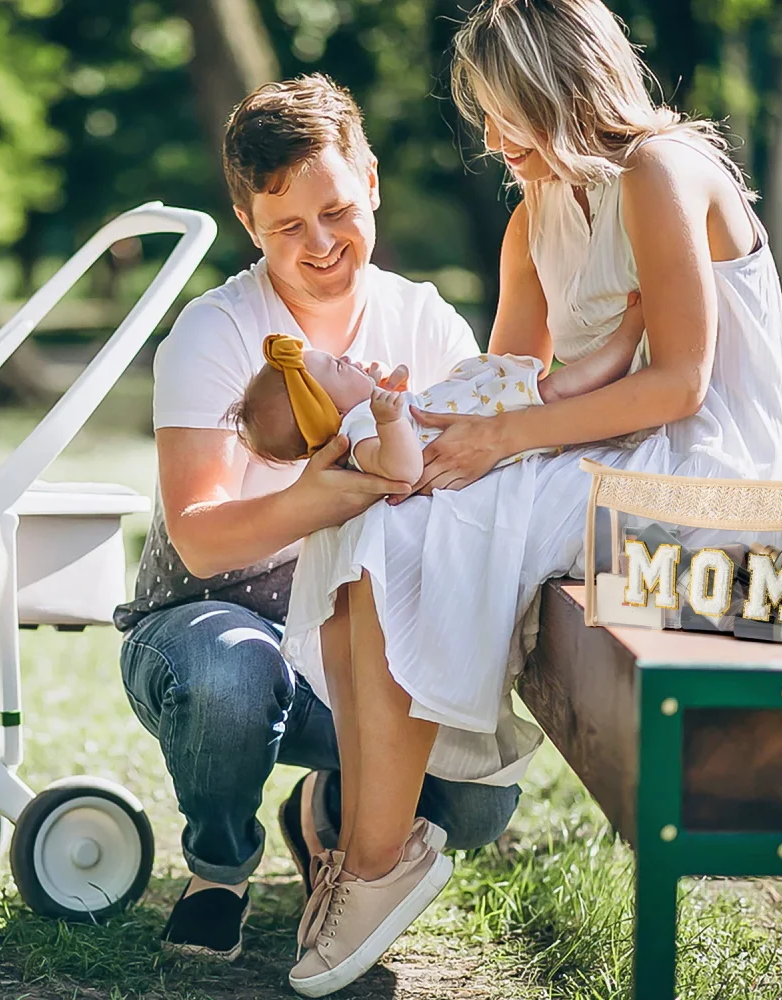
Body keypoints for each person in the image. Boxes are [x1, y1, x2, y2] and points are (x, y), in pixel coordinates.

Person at [280, 0, 782, 994]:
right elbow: (514, 378)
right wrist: (413, 424)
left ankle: (380, 857)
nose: (487, 138)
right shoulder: (534, 218)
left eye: (499, 111)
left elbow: (681, 382)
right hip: (612, 449)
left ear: (552, 94)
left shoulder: (661, 170)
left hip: (701, 475)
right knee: (379, 507)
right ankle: (368, 841)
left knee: (427, 526)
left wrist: (499, 442)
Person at [113, 73, 523, 962]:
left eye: (337, 210)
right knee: (229, 676)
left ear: (371, 182)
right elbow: (199, 531)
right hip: (210, 623)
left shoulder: (424, 321)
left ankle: (332, 809)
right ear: (247, 221)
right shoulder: (215, 331)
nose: (323, 242)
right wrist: (310, 500)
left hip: (359, 646)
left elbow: (474, 478)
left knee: (482, 803)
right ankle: (219, 863)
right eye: (289, 226)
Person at [228, 294, 645, 475]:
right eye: (339, 368)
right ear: (331, 412)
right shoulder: (357, 436)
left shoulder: (362, 419)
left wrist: (399, 395)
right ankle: (623, 346)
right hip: (488, 424)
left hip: (480, 412)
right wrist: (390, 422)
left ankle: (619, 369)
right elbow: (402, 469)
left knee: (552, 388)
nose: (350, 360)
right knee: (553, 392)